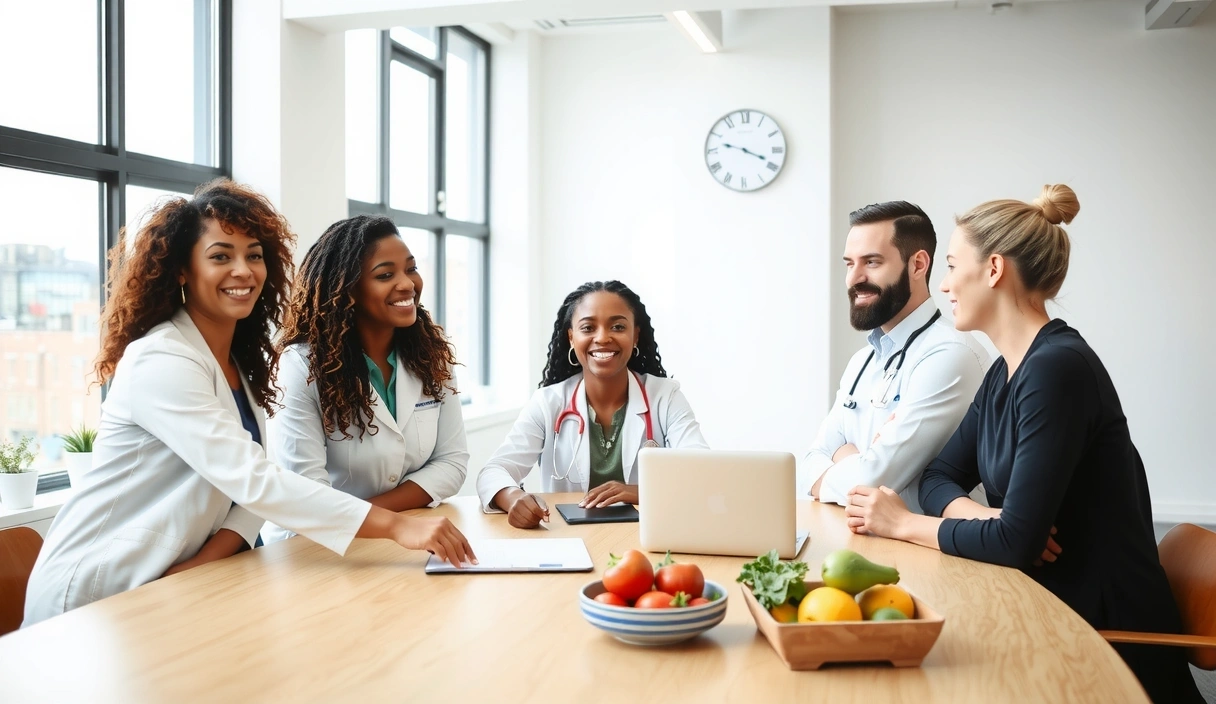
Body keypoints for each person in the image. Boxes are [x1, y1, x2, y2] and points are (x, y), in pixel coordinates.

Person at [24, 180, 474, 627]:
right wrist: (397, 525)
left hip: (172, 582)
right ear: (182, 270)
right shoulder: (161, 359)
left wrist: (202, 566)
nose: (243, 270)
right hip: (96, 590)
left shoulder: (239, 361)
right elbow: (256, 480)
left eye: (254, 256)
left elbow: (250, 491)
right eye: (221, 256)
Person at [845, 185, 1202, 703]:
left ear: (993, 269)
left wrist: (903, 524)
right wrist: (984, 517)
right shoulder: (1003, 373)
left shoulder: (1057, 369)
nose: (943, 284)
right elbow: (939, 477)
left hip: (1103, 641)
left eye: (951, 266)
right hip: (1049, 609)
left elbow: (1017, 544)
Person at [261, 216, 468, 544]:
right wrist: (386, 524)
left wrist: (379, 520)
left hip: (401, 535)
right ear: (347, 289)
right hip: (310, 547)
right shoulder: (299, 366)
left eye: (411, 268)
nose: (407, 284)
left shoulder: (431, 355)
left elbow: (451, 463)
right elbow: (308, 496)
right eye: (385, 275)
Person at [476, 280, 708, 528]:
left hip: (646, 537)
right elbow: (494, 471)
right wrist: (513, 497)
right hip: (569, 538)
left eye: (618, 327)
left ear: (635, 335)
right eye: (588, 328)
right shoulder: (548, 402)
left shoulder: (665, 396)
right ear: (571, 338)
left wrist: (640, 491)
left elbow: (703, 471)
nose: (603, 338)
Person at [805, 201, 989, 512]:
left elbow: (873, 482)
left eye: (871, 262)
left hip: (933, 542)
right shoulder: (861, 362)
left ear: (918, 265)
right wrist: (861, 464)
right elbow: (810, 463)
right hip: (856, 535)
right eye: (849, 264)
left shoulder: (950, 354)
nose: (853, 278)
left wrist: (845, 456)